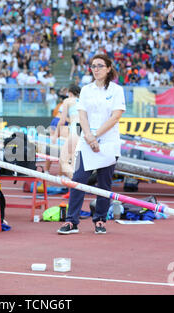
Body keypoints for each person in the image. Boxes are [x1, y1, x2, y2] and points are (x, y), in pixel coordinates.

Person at [57, 54, 125, 235]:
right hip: (86, 141)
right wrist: (89, 136)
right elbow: (82, 115)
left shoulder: (117, 90)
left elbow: (115, 116)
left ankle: (100, 220)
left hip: (108, 142)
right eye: (93, 66)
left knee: (104, 183)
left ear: (109, 68)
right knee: (78, 180)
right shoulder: (86, 90)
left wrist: (95, 135)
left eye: (100, 66)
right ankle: (72, 221)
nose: (96, 69)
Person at [52, 84, 81, 180]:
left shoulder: (68, 101)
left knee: (63, 161)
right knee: (73, 163)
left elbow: (62, 120)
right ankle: (75, 190)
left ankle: (78, 184)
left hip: (75, 130)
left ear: (70, 93)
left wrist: (55, 135)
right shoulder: (83, 101)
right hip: (84, 131)